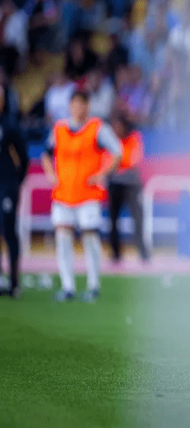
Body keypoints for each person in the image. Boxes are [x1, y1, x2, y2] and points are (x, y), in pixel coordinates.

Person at [41, 90, 123, 302]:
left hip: (88, 194)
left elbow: (117, 151)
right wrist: (51, 174)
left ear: (87, 107)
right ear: (70, 106)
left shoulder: (97, 128)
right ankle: (68, 286)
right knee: (63, 239)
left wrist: (103, 173)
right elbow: (46, 154)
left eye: (81, 105)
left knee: (90, 239)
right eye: (74, 104)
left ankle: (93, 285)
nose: (77, 109)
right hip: (63, 194)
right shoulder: (59, 129)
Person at [0, 86, 29, 297]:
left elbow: (23, 156)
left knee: (9, 231)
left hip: (6, 185)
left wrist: (16, 182)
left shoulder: (9, 124)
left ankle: (15, 282)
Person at [107, 116, 148, 263]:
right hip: (114, 184)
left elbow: (132, 159)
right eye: (114, 126)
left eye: (118, 126)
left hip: (132, 185)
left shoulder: (134, 138)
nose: (116, 130)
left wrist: (117, 163)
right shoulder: (109, 140)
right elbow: (105, 160)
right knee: (113, 220)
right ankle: (115, 253)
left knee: (138, 219)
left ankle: (143, 253)